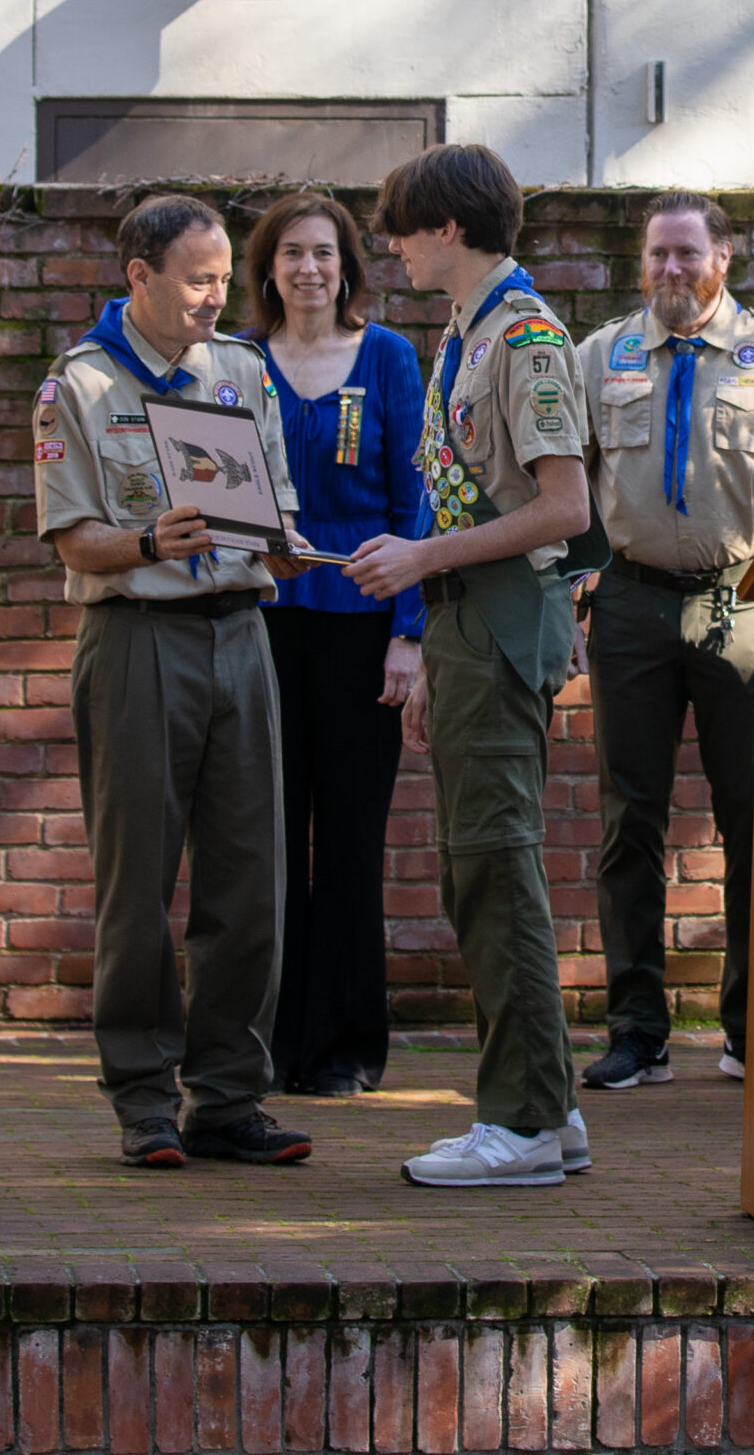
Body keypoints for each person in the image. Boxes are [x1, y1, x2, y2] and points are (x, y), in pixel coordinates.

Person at [36, 192, 317, 1170]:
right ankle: (143, 1099)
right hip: (137, 636)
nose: (215, 296)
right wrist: (149, 537)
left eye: (221, 277)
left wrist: (286, 551)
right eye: (197, 279)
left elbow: (275, 506)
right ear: (139, 278)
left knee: (251, 881)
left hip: (240, 631)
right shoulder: (77, 386)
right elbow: (72, 538)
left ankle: (229, 1098)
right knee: (137, 881)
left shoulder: (242, 369)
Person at [344, 143, 592, 1189]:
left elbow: (564, 508)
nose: (390, 248)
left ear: (447, 227)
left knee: (494, 866)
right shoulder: (471, 328)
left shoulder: (523, 335)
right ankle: (546, 1108)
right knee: (478, 863)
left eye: (400, 227)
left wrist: (423, 560)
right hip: (469, 624)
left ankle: (524, 1121)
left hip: (494, 613)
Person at [571, 192, 754, 1094]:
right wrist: (573, 578)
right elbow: (564, 475)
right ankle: (637, 1030)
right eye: (656, 254)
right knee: (630, 822)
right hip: (630, 604)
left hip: (744, 605)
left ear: (723, 258)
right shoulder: (600, 354)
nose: (670, 271)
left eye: (687, 254)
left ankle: (749, 1027)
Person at [238, 193, 423, 1098]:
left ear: (349, 265)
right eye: (291, 254)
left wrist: (410, 634)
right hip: (261, 622)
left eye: (324, 253)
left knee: (350, 836)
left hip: (362, 630)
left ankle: (346, 1043)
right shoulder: (235, 363)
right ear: (267, 268)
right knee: (267, 835)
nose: (308, 268)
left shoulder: (388, 357)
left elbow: (418, 503)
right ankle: (266, 1039)